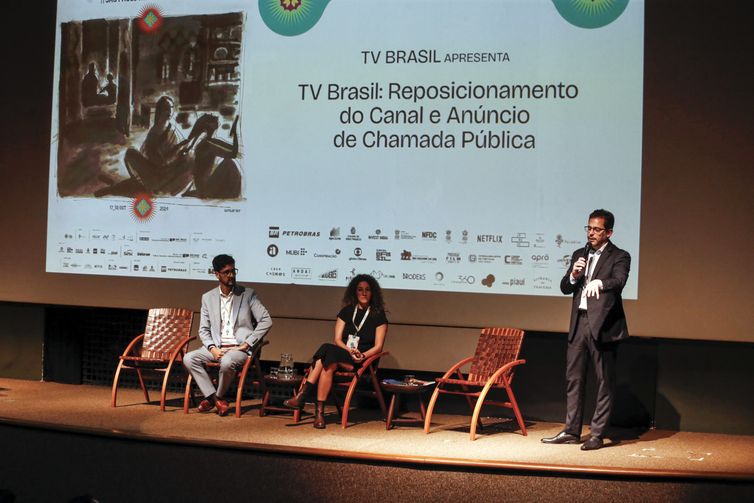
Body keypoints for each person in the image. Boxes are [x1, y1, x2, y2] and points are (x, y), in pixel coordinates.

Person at [542, 209, 630, 450]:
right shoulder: (579, 254)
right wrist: (573, 274)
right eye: (589, 228)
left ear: (609, 232)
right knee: (574, 379)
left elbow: (619, 281)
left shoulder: (620, 256)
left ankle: (597, 435)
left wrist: (600, 282)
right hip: (579, 322)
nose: (591, 233)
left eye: (597, 229)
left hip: (603, 325)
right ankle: (571, 431)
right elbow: (565, 287)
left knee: (604, 381)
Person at [283, 274, 388, 428]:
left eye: (367, 290)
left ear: (373, 293)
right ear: (355, 292)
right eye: (360, 290)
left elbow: (378, 347)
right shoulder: (346, 312)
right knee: (328, 361)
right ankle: (319, 413)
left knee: (325, 353)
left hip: (363, 360)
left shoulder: (378, 315)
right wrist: (349, 351)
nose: (363, 293)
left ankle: (302, 397)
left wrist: (362, 355)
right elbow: (338, 340)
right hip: (343, 354)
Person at [183, 254, 272, 416]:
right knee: (189, 358)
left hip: (238, 349)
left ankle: (215, 398)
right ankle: (215, 399)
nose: (231, 275)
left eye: (233, 271)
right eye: (226, 272)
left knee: (227, 362)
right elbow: (203, 330)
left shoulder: (248, 294)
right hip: (217, 347)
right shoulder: (207, 298)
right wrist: (211, 348)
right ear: (216, 274)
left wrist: (248, 344)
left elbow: (266, 320)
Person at [181, 113, 242, 199]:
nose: (217, 122)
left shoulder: (206, 141)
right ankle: (230, 194)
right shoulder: (209, 144)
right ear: (208, 125)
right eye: (214, 121)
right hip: (205, 187)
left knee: (228, 161)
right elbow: (234, 153)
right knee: (229, 163)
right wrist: (235, 132)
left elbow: (233, 150)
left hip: (201, 186)